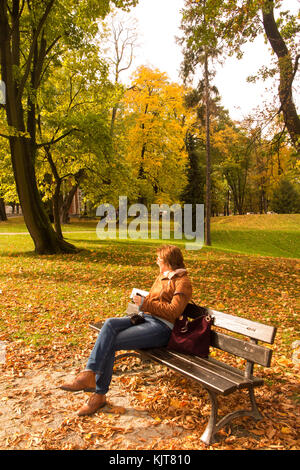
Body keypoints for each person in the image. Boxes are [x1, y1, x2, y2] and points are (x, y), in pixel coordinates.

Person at [60, 244, 193, 416]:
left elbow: (173, 311)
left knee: (111, 342)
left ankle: (98, 393)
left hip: (162, 328)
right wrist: (142, 301)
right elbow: (154, 300)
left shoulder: (183, 282)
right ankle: (89, 374)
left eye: (159, 259)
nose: (156, 262)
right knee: (109, 324)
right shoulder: (162, 276)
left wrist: (145, 304)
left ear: (168, 261)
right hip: (146, 318)